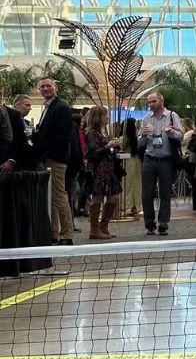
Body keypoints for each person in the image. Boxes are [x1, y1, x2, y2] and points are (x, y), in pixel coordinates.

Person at [32, 78, 75, 246]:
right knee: (51, 196)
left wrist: (48, 156)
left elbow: (62, 137)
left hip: (56, 159)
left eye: (48, 86)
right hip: (47, 158)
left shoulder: (61, 108)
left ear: (56, 88)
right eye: (42, 86)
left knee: (59, 196)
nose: (45, 88)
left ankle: (67, 234)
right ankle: (54, 233)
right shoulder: (47, 107)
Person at [137, 92, 183, 236]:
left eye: (153, 101)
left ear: (161, 101)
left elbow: (180, 136)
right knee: (147, 193)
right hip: (150, 158)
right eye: (149, 102)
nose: (151, 104)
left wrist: (170, 133)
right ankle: (149, 224)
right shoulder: (146, 119)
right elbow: (139, 142)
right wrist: (143, 135)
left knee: (165, 193)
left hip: (166, 160)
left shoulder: (171, 116)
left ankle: (163, 223)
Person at [83, 106, 121, 240]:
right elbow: (92, 153)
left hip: (108, 169)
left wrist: (113, 147)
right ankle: (94, 228)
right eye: (106, 115)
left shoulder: (103, 132)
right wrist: (108, 147)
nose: (108, 118)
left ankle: (103, 226)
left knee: (113, 198)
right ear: (99, 117)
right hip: (98, 169)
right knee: (97, 198)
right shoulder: (92, 133)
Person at [1, 95, 33, 172]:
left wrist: (12, 160)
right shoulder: (11, 115)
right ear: (16, 105)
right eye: (27, 105)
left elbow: (19, 141)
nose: (30, 108)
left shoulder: (14, 116)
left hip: (9, 164)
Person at [120, 118, 142, 219]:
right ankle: (134, 206)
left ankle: (127, 207)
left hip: (126, 162)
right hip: (136, 161)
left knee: (126, 184)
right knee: (136, 183)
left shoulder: (123, 139)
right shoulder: (135, 138)